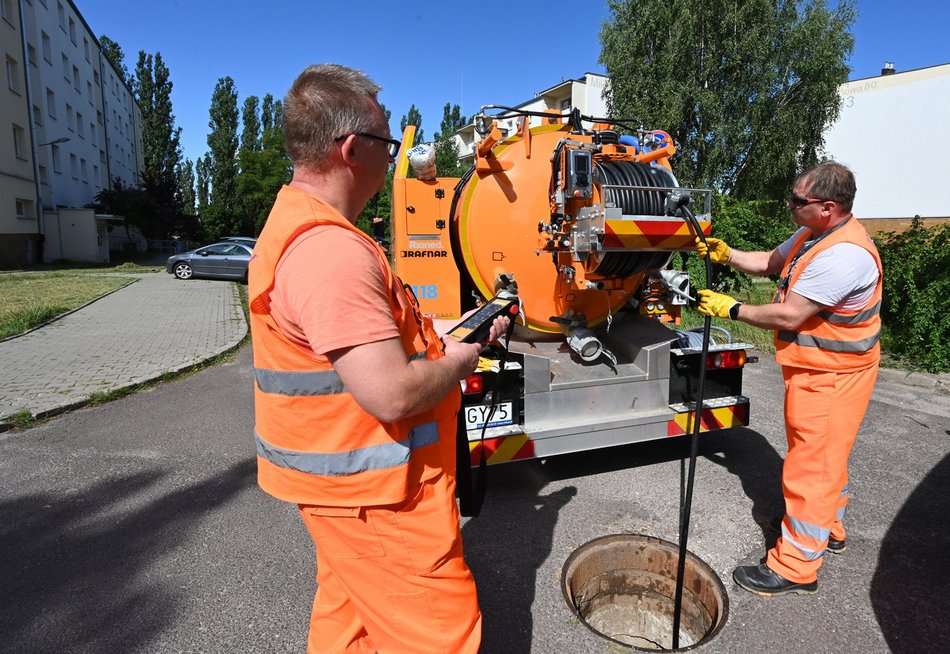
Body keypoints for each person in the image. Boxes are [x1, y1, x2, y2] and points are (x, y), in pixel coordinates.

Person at [248, 64, 508, 653]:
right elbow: (390, 391)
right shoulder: (330, 253)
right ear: (350, 149)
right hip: (379, 499)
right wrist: (463, 363)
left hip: (348, 494)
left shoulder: (306, 228)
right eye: (388, 144)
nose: (394, 158)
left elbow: (376, 338)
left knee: (352, 625)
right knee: (436, 635)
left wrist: (449, 331)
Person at [695, 161, 882, 596]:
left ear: (828, 207)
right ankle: (828, 528)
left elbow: (791, 313)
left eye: (798, 201)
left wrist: (732, 309)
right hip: (819, 370)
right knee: (825, 458)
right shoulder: (812, 235)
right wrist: (727, 255)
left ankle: (796, 565)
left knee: (810, 468)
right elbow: (768, 262)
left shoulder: (844, 256)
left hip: (833, 376)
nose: (789, 204)